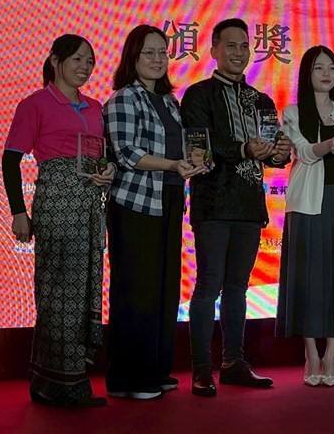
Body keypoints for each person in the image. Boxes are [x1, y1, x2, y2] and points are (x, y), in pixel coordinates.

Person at [181, 18, 292, 397]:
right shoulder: (198, 96)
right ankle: (200, 369)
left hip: (248, 204)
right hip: (213, 202)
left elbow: (273, 152)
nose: (238, 52)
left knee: (238, 288)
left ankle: (233, 361)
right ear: (213, 50)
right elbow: (199, 147)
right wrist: (245, 149)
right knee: (208, 285)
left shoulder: (261, 99)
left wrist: (280, 152)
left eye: (244, 45)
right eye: (230, 45)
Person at [2, 34, 113, 407]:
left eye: (90, 62)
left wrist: (105, 172)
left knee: (85, 290)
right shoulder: (35, 104)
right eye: (78, 59)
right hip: (56, 203)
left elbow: (102, 157)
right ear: (55, 61)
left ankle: (71, 378)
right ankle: (56, 383)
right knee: (57, 293)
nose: (85, 67)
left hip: (89, 204)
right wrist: (19, 211)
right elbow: (10, 160)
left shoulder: (96, 107)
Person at [104, 25, 206, 400]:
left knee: (165, 289)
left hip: (169, 201)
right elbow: (127, 154)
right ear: (132, 57)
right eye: (149, 53)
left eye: (163, 52)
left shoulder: (169, 102)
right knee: (137, 291)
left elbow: (181, 152)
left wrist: (195, 162)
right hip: (135, 205)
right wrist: (173, 165)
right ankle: (127, 378)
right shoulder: (122, 99)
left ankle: (156, 370)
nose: (158, 59)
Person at [275, 45, 334, 387]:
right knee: (309, 277)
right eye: (318, 68)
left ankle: (332, 353)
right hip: (306, 203)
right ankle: (310, 352)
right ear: (307, 74)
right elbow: (302, 152)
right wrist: (328, 146)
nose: (327, 74)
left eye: (331, 67)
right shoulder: (294, 112)